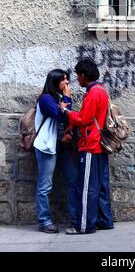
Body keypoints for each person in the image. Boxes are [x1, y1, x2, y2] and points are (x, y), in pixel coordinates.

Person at [60, 58, 114, 234]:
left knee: (86, 188)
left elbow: (84, 119)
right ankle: (104, 220)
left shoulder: (93, 93)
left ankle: (84, 226)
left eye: (78, 76)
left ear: (83, 76)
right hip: (99, 144)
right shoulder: (101, 90)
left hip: (91, 145)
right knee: (100, 185)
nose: (77, 80)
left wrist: (66, 112)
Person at [34, 69, 78, 233]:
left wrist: (64, 104)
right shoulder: (45, 99)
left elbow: (69, 115)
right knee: (45, 185)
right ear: (54, 82)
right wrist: (66, 100)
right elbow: (61, 116)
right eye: (64, 80)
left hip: (61, 145)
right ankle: (44, 221)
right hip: (46, 147)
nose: (67, 83)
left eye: (67, 80)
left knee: (73, 178)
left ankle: (75, 219)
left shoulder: (59, 98)